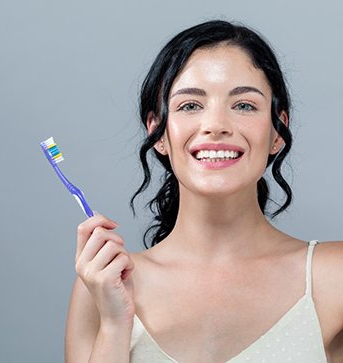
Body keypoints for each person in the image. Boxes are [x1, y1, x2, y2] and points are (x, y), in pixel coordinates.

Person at [65, 20, 343, 362]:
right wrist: (114, 323)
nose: (216, 126)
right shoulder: (102, 286)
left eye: (244, 105)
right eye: (190, 106)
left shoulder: (334, 277)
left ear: (278, 132)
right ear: (158, 133)